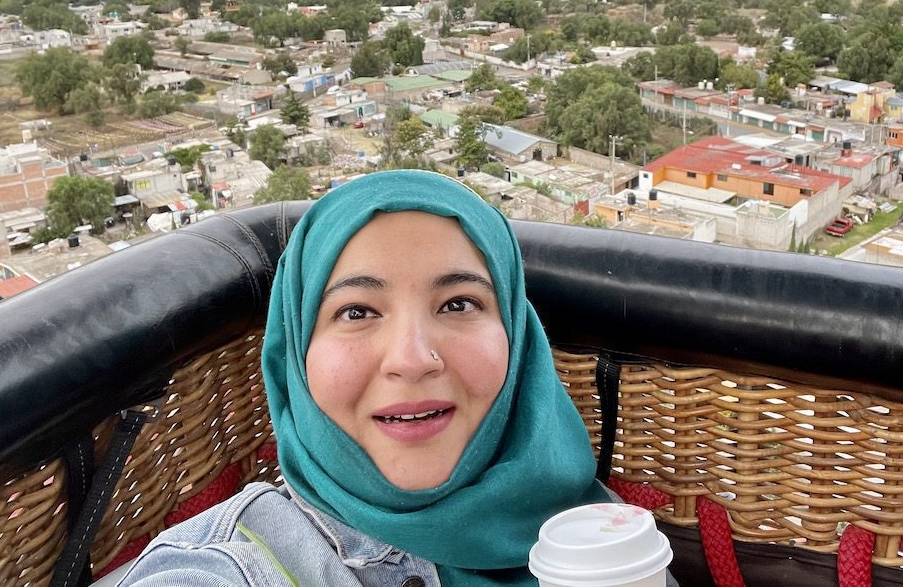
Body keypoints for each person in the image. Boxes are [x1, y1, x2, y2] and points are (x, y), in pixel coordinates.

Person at [119, 169, 610, 587]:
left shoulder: (602, 529)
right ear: (298, 350)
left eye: (459, 303)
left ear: (517, 337)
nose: (412, 359)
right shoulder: (233, 564)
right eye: (357, 311)